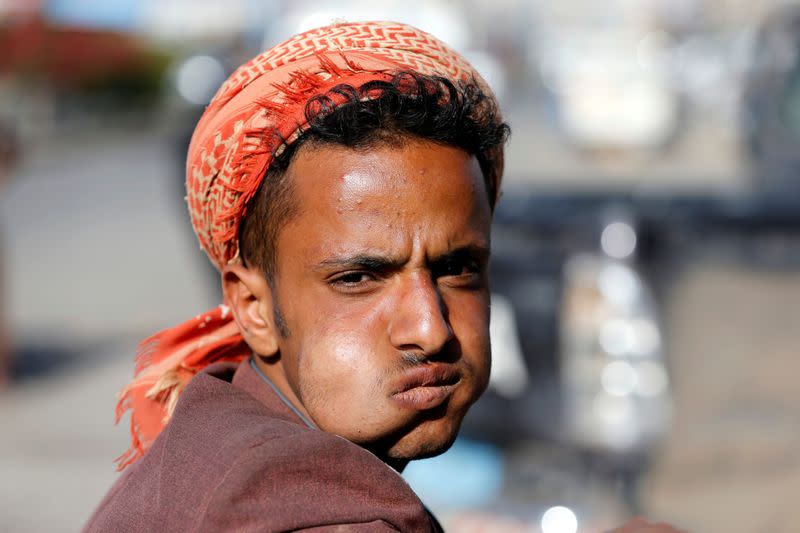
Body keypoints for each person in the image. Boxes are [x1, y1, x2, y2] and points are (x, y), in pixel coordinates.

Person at [85, 21, 683, 533]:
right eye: (359, 278)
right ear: (253, 307)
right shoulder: (325, 514)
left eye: (457, 269)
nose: (431, 329)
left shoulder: (217, 440)